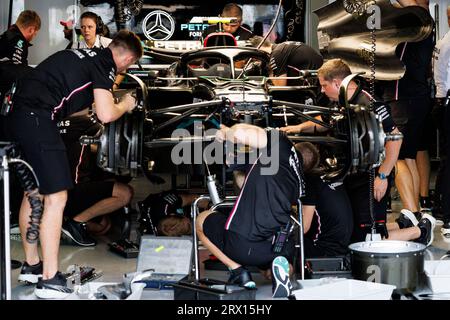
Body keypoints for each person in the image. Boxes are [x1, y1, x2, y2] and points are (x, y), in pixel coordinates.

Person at [6, 30, 143, 299]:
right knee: (56, 198)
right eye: (131, 63)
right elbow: (105, 113)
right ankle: (50, 280)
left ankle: (33, 266)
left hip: (15, 118)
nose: (128, 68)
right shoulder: (104, 64)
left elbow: (71, 98)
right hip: (38, 119)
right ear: (126, 57)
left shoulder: (79, 55)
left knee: (33, 194)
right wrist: (125, 104)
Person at [282, 59, 403, 242]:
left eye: (324, 85)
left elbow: (396, 138)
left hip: (371, 177)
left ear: (337, 83)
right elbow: (325, 120)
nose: (322, 90)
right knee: (354, 231)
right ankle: (404, 224)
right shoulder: (341, 99)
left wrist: (383, 176)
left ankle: (420, 231)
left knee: (369, 237)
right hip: (350, 173)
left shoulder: (370, 104)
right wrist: (298, 129)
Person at [196, 123, 305, 298]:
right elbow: (246, 183)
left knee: (201, 219)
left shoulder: (280, 141)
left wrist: (226, 132)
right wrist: (235, 159)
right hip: (279, 247)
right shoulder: (298, 180)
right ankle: (283, 270)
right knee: (278, 254)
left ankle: (238, 271)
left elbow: (239, 132)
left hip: (242, 246)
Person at [378, 0, 434, 217]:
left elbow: (413, 5)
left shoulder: (421, 20)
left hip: (405, 98)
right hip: (412, 98)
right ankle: (417, 212)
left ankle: (412, 214)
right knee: (408, 156)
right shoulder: (418, 26)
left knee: (397, 156)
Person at [58, 111, 133, 246]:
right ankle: (75, 224)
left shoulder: (55, 121)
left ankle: (65, 222)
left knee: (104, 226)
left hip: (57, 190)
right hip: (73, 189)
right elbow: (112, 136)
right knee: (124, 193)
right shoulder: (87, 123)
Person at [433, 5, 450, 236]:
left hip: (442, 102)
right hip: (447, 101)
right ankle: (447, 213)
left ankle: (442, 207)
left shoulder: (443, 40)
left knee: (447, 160)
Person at [249, 35, 323, 86]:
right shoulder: (282, 47)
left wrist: (269, 70)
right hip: (319, 78)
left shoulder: (276, 54)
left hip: (315, 84)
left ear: (259, 50)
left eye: (256, 59)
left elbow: (280, 86)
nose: (259, 62)